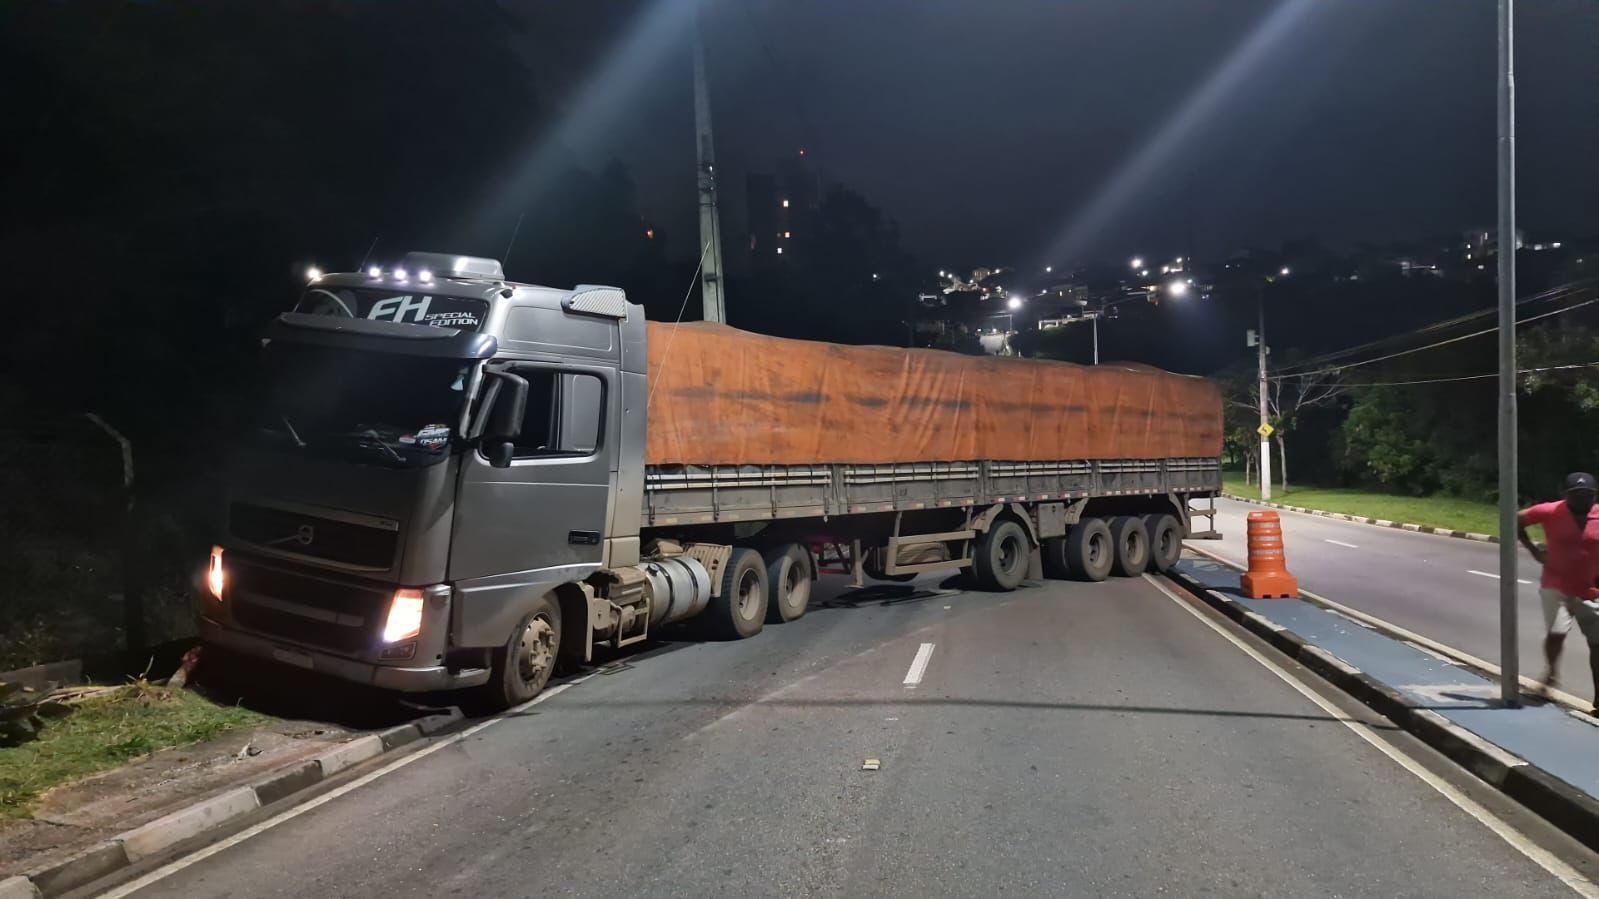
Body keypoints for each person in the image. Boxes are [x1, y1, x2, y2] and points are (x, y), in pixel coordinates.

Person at [1517, 472, 1599, 702]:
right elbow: (1516, 520)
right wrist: (1534, 551)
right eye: (1577, 494)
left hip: (1592, 590)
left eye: (1588, 495)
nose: (1583, 499)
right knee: (1556, 634)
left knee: (1597, 645)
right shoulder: (1550, 511)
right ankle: (1552, 672)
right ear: (1564, 494)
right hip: (1557, 586)